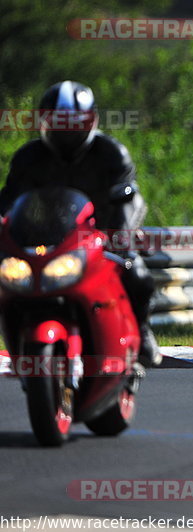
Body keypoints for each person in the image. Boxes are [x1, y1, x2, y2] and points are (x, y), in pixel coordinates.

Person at [0, 81, 161, 367]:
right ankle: (19, 341)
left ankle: (142, 329)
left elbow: (128, 197)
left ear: (91, 121)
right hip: (46, 239)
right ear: (44, 121)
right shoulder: (29, 157)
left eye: (75, 124)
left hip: (100, 235)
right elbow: (9, 201)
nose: (67, 133)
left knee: (137, 275)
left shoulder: (111, 152)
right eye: (59, 124)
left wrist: (120, 239)